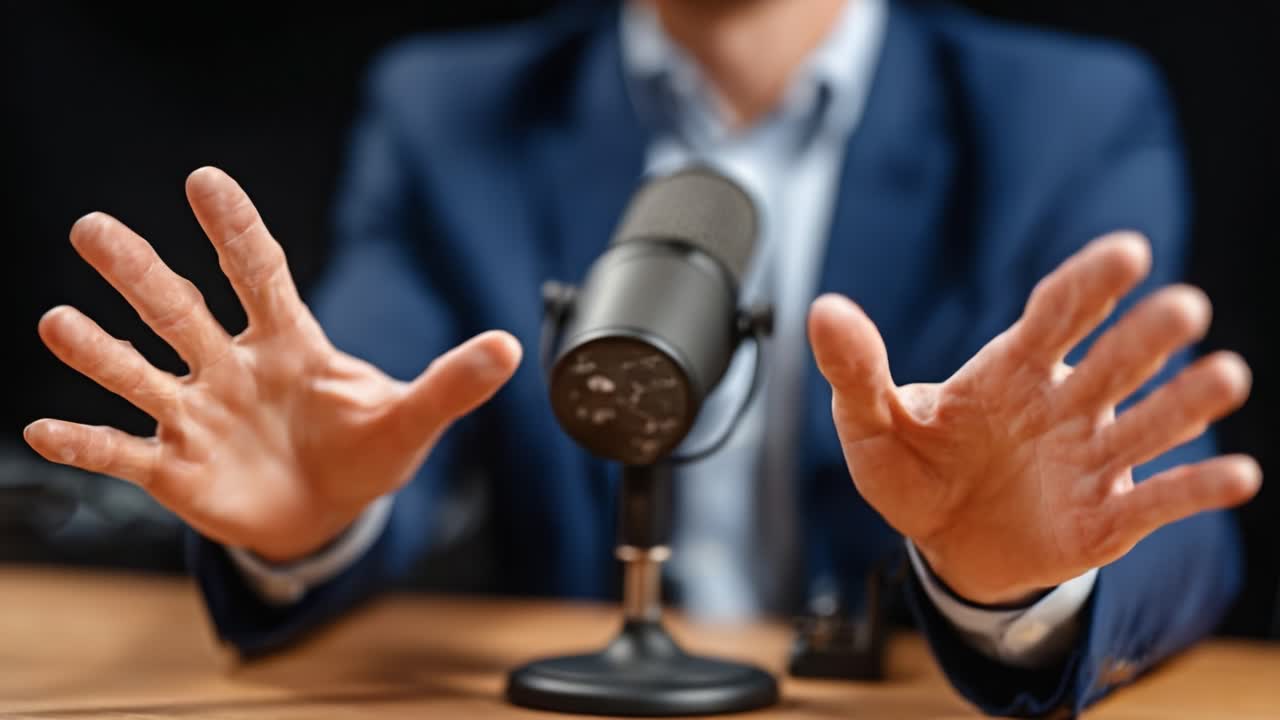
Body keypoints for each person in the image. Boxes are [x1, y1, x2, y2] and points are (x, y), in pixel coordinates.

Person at [23, 0, 1261, 715]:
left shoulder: (1063, 113)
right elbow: (371, 391)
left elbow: (1155, 488)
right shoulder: (448, 110)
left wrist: (1007, 587)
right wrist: (306, 517)